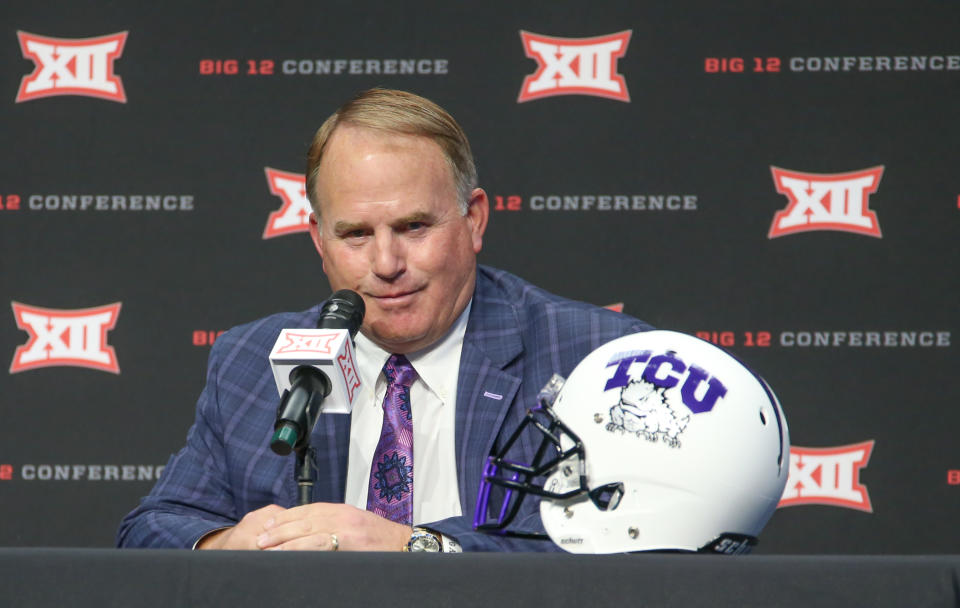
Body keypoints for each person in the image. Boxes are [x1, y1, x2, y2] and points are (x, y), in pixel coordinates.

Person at [117, 88, 651, 552]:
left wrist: (412, 545)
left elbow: (638, 537)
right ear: (319, 242)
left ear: (474, 221)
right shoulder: (251, 362)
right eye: (355, 234)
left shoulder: (599, 359)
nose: (387, 264)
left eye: (414, 226)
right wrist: (237, 543)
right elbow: (152, 529)